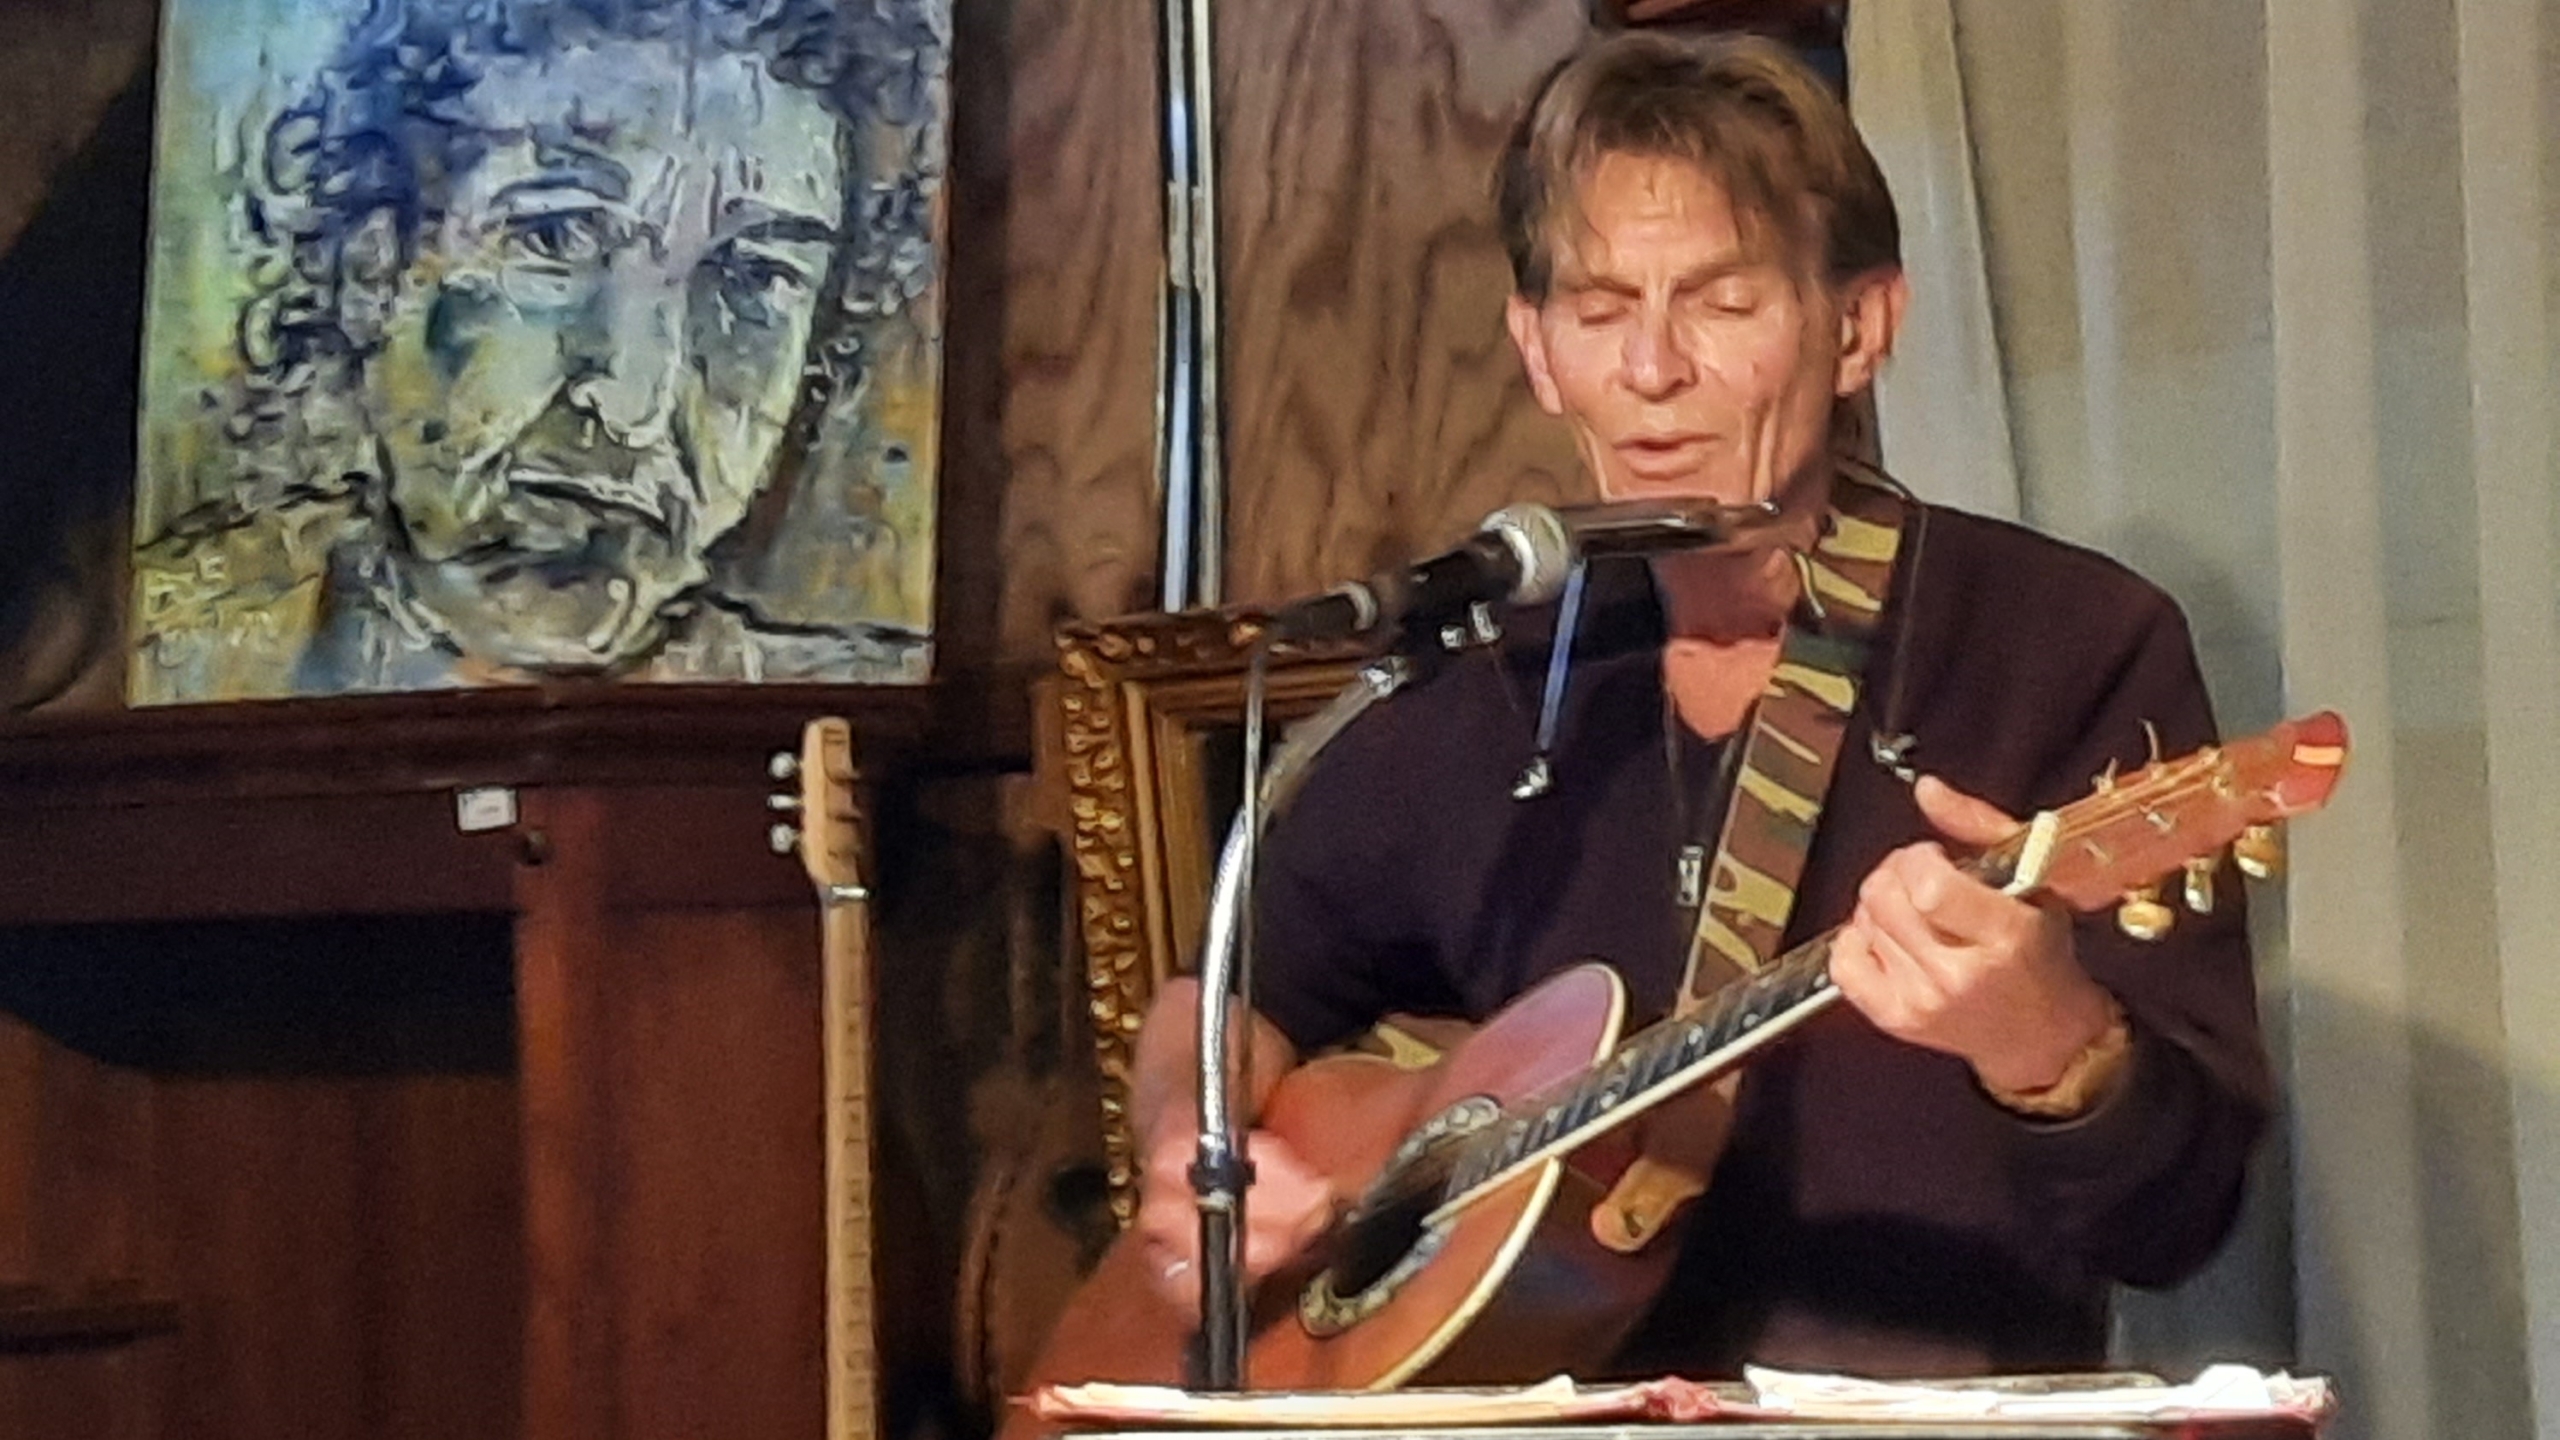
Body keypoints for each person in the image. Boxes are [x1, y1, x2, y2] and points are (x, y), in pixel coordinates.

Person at [1119, 32, 2272, 1377]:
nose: (1653, 372)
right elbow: (1228, 993)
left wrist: (2050, 1044)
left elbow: (2182, 1218)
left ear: (1860, 328)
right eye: (1601, 312)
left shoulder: (2064, 644)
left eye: (1722, 306)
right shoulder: (1474, 674)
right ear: (1538, 351)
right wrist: (1185, 1153)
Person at [130, 0, 940, 702]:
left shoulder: (850, 719)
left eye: (755, 279)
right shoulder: (172, 654)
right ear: (372, 268)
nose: (634, 402)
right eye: (555, 235)